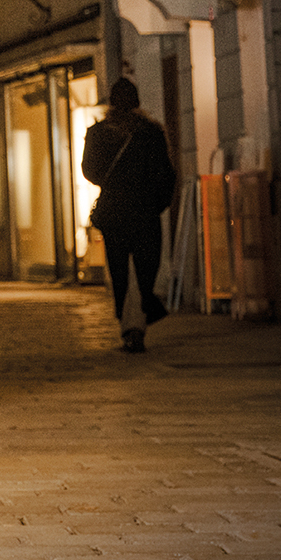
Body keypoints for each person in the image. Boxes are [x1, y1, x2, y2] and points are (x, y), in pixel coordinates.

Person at [83, 77, 176, 354]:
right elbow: (166, 175)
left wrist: (111, 186)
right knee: (147, 269)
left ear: (111, 102)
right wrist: (157, 203)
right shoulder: (152, 132)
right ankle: (142, 317)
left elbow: (90, 171)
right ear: (137, 101)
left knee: (119, 270)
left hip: (114, 211)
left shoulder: (98, 133)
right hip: (145, 211)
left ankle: (128, 327)